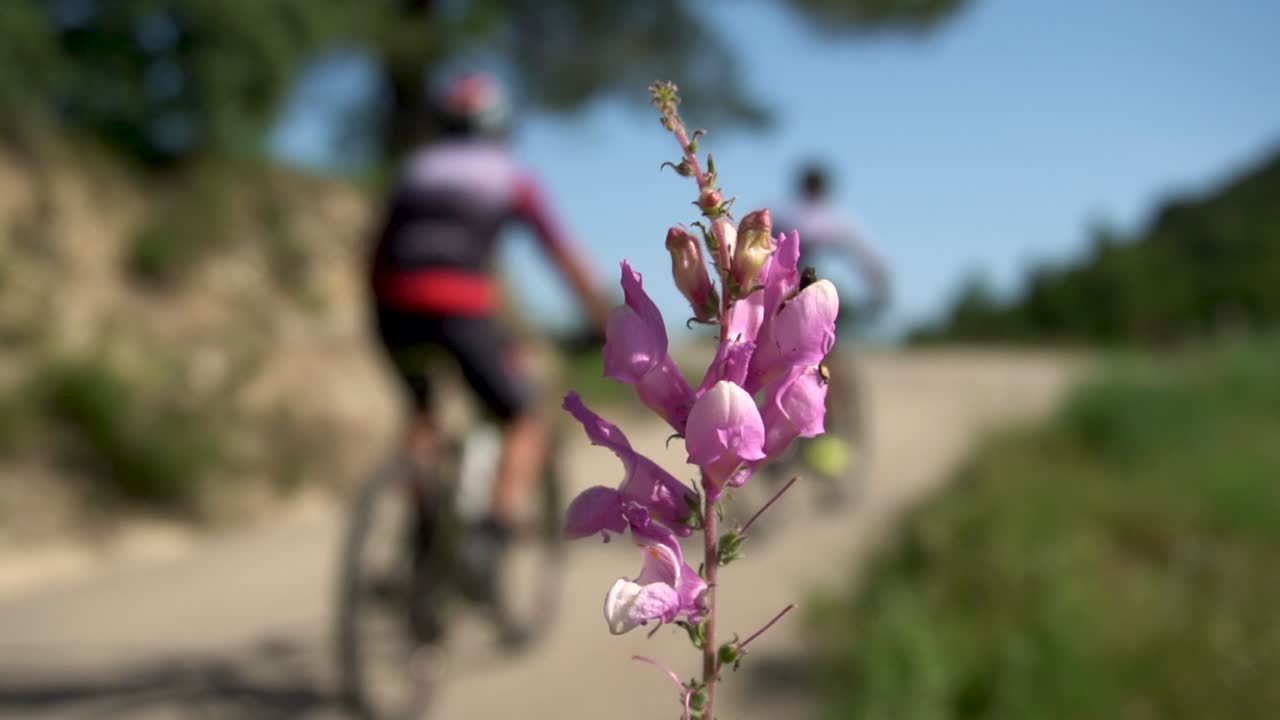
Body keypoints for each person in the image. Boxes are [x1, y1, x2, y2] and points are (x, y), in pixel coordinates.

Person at [368, 71, 610, 604]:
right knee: (522, 417)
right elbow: (560, 253)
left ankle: (424, 529)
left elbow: (377, 243)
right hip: (460, 306)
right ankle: (491, 538)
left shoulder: (415, 169)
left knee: (422, 412)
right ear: (499, 126)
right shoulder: (509, 176)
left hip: (393, 306)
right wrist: (600, 318)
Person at [772, 163, 891, 496]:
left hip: (781, 302)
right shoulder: (835, 218)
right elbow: (869, 260)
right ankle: (828, 436)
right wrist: (880, 291)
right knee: (828, 370)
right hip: (817, 303)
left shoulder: (782, 212)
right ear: (825, 188)